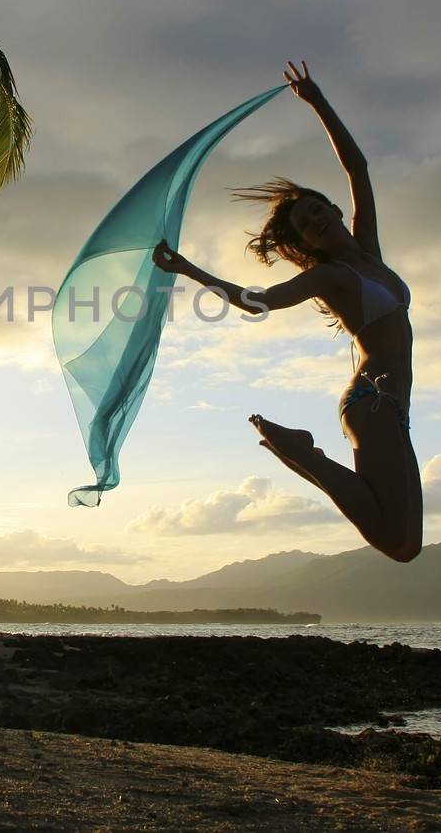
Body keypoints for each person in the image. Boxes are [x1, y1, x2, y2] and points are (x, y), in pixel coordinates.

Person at [152, 60, 422, 562]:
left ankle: (300, 452)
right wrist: (190, 269)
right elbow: (261, 303)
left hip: (396, 408)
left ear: (334, 210)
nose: (316, 220)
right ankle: (302, 453)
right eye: (305, 223)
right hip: (371, 404)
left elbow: (357, 169)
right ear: (304, 241)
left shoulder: (369, 254)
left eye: (318, 209)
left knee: (406, 541)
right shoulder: (330, 277)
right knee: (398, 545)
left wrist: (317, 102)